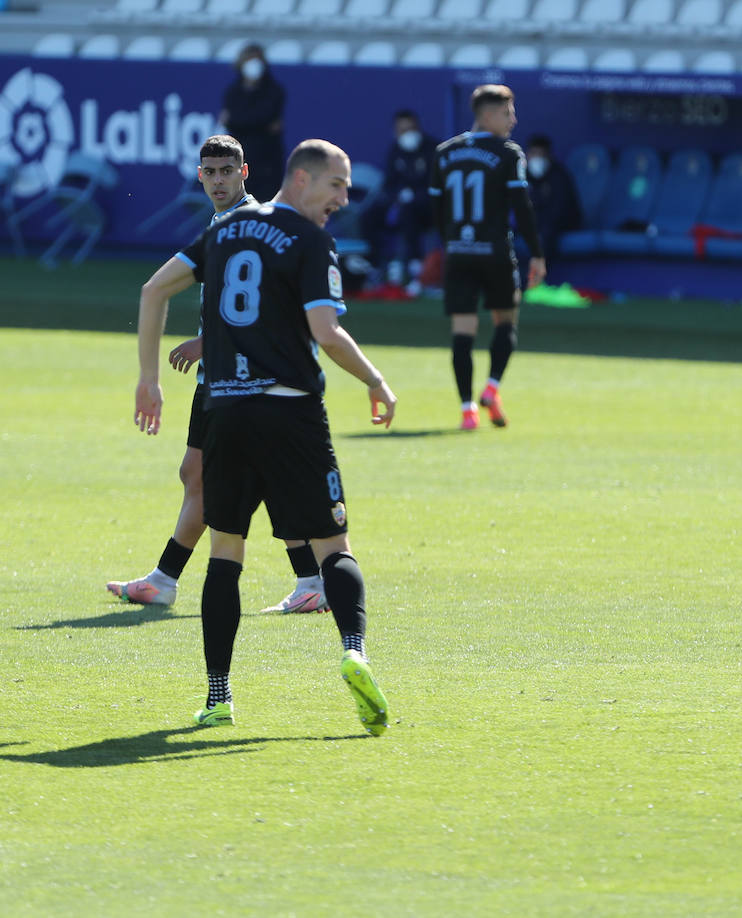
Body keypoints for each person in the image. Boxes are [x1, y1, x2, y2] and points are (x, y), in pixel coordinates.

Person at [134, 139, 397, 734]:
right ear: (302, 180)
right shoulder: (309, 241)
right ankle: (354, 650)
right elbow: (326, 333)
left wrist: (148, 381)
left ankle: (218, 696)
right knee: (333, 544)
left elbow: (153, 291)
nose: (345, 198)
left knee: (226, 549)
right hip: (291, 412)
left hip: (226, 411)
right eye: (337, 185)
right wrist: (376, 380)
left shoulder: (224, 231)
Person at [111, 134, 328, 615]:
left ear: (244, 172)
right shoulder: (220, 223)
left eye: (226, 171)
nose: (217, 181)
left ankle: (310, 578)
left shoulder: (249, 225)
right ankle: (166, 579)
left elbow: (267, 309)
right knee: (196, 474)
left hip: (245, 379)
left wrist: (202, 342)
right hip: (218, 377)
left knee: (251, 479)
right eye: (209, 172)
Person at [429, 84, 546, 432]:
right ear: (488, 114)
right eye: (508, 112)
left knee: (462, 332)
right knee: (506, 322)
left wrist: (451, 242)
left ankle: (467, 411)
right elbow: (522, 209)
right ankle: (492, 388)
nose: (514, 120)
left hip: (459, 254)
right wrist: (537, 254)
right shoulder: (508, 154)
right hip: (495, 253)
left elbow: (437, 209)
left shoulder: (444, 153)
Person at [362, 109, 437, 295]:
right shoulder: (395, 150)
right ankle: (375, 266)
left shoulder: (432, 149)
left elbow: (437, 184)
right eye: (402, 130)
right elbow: (390, 183)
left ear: (418, 128)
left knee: (409, 212)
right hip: (400, 204)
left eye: (410, 128)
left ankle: (415, 268)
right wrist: (396, 196)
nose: (406, 134)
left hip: (429, 208)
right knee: (369, 216)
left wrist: (416, 195)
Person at [219, 43, 286, 203]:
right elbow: (260, 121)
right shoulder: (233, 91)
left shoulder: (274, 90)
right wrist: (260, 124)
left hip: (267, 164)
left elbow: (264, 116)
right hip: (239, 160)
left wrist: (237, 121)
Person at [523, 133, 582, 260]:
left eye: (541, 154)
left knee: (545, 232)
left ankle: (540, 275)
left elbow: (560, 211)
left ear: (549, 156)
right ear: (527, 155)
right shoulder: (522, 176)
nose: (537, 158)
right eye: (534, 153)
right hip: (533, 223)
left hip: (559, 223)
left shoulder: (559, 176)